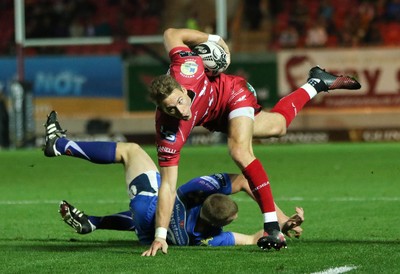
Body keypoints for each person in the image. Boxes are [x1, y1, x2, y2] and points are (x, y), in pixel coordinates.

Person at [144, 28, 361, 256]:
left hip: (232, 92)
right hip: (217, 118)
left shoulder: (187, 68)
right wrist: (160, 236)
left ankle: (272, 228)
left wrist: (213, 39)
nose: (182, 111)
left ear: (180, 86)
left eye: (180, 100)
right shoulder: (168, 131)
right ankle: (317, 82)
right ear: (161, 109)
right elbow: (167, 186)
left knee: (239, 150)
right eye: (171, 108)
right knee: (278, 126)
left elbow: (170, 34)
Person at [43, 111, 304, 247]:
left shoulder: (195, 190)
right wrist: (281, 228)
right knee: (147, 219)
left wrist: (278, 216)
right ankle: (93, 223)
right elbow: (253, 238)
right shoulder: (210, 240)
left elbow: (246, 180)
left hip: (150, 209)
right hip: (149, 233)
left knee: (130, 151)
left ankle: (59, 145)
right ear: (224, 223)